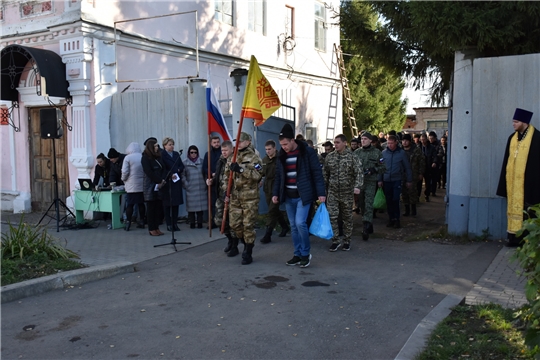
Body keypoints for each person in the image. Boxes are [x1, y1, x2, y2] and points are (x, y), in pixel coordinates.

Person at [273, 124, 326, 268]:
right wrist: (275, 193)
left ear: (292, 140)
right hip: (288, 195)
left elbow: (317, 173)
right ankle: (297, 254)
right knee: (293, 226)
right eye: (281, 144)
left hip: (303, 195)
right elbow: (278, 176)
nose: (283, 147)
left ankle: (305, 253)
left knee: (300, 223)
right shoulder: (282, 155)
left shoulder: (307, 152)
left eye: (285, 144)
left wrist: (321, 193)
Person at [497, 108, 540, 247]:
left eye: (516, 121)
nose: (513, 124)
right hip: (513, 184)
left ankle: (527, 241)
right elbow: (506, 162)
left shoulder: (537, 138)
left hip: (529, 185)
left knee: (528, 212)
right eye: (513, 121)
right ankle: (514, 238)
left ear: (525, 122)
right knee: (514, 211)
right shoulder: (512, 138)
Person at [227, 132, 263, 265]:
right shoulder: (232, 156)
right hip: (235, 197)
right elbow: (227, 175)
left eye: (241, 141)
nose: (239, 143)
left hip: (250, 197)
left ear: (248, 142)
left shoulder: (254, 157)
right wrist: (226, 191)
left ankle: (248, 251)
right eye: (237, 141)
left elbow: (258, 175)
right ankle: (245, 241)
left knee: (248, 225)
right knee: (234, 225)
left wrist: (241, 169)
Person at [324, 134, 363, 251]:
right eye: (334, 142)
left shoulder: (352, 157)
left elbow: (359, 173)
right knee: (332, 217)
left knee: (347, 218)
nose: (335, 144)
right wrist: (324, 188)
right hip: (333, 193)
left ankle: (347, 241)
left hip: (347, 193)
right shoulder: (330, 157)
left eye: (338, 142)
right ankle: (335, 240)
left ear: (345, 143)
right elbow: (325, 173)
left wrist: (357, 186)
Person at [206, 140, 239, 255]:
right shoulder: (220, 160)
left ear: (231, 150)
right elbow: (219, 175)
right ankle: (230, 240)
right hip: (221, 196)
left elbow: (237, 180)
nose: (224, 152)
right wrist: (212, 181)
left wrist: (229, 194)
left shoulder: (235, 160)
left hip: (232, 197)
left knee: (233, 223)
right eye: (222, 150)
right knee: (219, 221)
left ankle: (235, 245)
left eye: (226, 150)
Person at [354, 132, 385, 240]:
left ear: (370, 140)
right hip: (359, 182)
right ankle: (368, 222)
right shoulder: (357, 153)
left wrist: (374, 169)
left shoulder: (377, 153)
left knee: (369, 203)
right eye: (362, 139)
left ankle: (365, 227)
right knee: (361, 204)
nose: (363, 140)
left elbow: (383, 167)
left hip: (371, 182)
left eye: (365, 139)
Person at [259, 139, 290, 244]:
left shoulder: (280, 159)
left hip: (277, 188)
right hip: (268, 188)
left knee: (272, 211)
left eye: (269, 149)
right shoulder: (264, 160)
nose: (268, 151)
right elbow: (261, 173)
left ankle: (268, 234)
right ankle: (284, 227)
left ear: (274, 148)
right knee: (274, 210)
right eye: (266, 149)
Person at [378, 135, 412, 228]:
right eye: (388, 143)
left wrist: (409, 180)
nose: (390, 145)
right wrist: (380, 179)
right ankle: (391, 218)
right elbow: (380, 167)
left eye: (391, 143)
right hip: (386, 180)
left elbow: (407, 167)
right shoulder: (383, 153)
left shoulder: (402, 153)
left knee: (395, 199)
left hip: (397, 180)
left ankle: (397, 219)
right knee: (388, 200)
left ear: (396, 143)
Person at [141, 139, 167, 236]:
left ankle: (157, 227)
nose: (157, 148)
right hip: (150, 185)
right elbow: (148, 172)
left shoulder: (158, 157)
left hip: (159, 184)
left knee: (158, 207)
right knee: (151, 208)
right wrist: (158, 180)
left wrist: (163, 179)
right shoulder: (145, 158)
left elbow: (163, 168)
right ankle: (151, 228)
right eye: (155, 146)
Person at [161, 137, 185, 232]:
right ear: (165, 146)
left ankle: (175, 223)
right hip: (168, 182)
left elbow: (181, 165)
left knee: (176, 204)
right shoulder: (162, 155)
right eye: (170, 145)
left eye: (172, 144)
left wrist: (178, 170)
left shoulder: (176, 154)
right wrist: (169, 174)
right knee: (168, 204)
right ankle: (169, 224)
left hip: (176, 181)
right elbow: (162, 168)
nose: (172, 146)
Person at [121, 142, 146, 231]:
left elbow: (125, 172)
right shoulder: (142, 156)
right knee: (141, 204)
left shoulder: (127, 158)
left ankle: (128, 223)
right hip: (142, 185)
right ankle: (142, 221)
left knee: (130, 205)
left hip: (131, 185)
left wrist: (123, 179)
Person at [182, 145, 207, 229]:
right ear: (189, 153)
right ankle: (192, 223)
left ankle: (200, 223)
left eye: (195, 152)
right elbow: (182, 175)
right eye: (191, 152)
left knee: (200, 209)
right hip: (191, 188)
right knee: (191, 208)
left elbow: (205, 173)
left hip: (201, 187)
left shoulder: (202, 161)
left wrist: (205, 183)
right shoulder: (185, 163)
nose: (193, 154)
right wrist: (186, 184)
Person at [401, 134, 425, 217]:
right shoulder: (400, 150)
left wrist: (421, 173)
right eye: (403, 141)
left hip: (413, 174)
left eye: (406, 141)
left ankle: (413, 210)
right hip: (402, 174)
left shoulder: (416, 150)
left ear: (410, 141)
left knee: (412, 192)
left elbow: (421, 162)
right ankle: (407, 210)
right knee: (404, 193)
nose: (404, 142)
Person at [202, 136, 222, 229]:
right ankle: (214, 221)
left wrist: (217, 174)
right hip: (212, 182)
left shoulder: (223, 153)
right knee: (213, 203)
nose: (216, 144)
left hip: (221, 181)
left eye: (218, 142)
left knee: (222, 202)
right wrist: (211, 174)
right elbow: (204, 167)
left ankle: (222, 222)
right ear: (211, 143)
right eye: (214, 142)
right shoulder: (208, 154)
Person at [420, 133, 439, 202]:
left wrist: (434, 162)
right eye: (421, 139)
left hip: (428, 167)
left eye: (424, 139)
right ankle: (418, 196)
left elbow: (435, 156)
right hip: (420, 167)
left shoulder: (431, 147)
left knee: (428, 182)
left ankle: (427, 195)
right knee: (419, 182)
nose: (422, 141)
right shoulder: (418, 147)